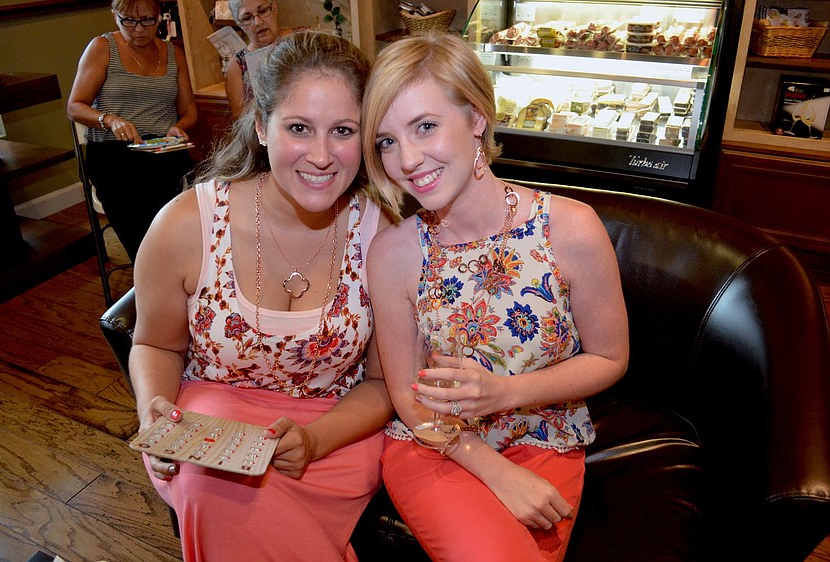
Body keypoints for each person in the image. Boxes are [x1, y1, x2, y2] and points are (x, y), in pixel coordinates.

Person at [129, 31, 396, 561]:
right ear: (260, 127)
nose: (321, 156)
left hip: (335, 429)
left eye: (342, 131)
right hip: (213, 422)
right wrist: (151, 415)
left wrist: (316, 440)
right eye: (299, 128)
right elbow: (155, 345)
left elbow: (384, 383)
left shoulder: (383, 234)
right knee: (215, 492)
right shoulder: (186, 225)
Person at [362, 33, 630, 561]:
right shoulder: (393, 252)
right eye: (387, 141)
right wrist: (491, 466)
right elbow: (407, 398)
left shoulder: (570, 229)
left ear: (477, 117)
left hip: (545, 438)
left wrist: (505, 392)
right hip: (436, 446)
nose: (407, 159)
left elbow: (610, 357)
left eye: (425, 126)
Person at [67, 0, 197, 262]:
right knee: (145, 219)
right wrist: (110, 120)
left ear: (159, 17)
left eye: (147, 20)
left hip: (163, 152)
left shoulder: (173, 53)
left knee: (185, 213)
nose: (138, 29)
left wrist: (178, 127)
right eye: (128, 20)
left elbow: (190, 111)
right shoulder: (103, 48)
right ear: (115, 16)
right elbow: (74, 107)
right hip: (114, 154)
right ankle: (154, 268)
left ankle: (172, 267)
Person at [225, 0, 308, 120]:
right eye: (247, 18)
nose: (258, 22)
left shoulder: (304, 39)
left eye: (263, 11)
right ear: (239, 24)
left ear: (274, 8)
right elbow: (240, 122)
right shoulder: (237, 65)